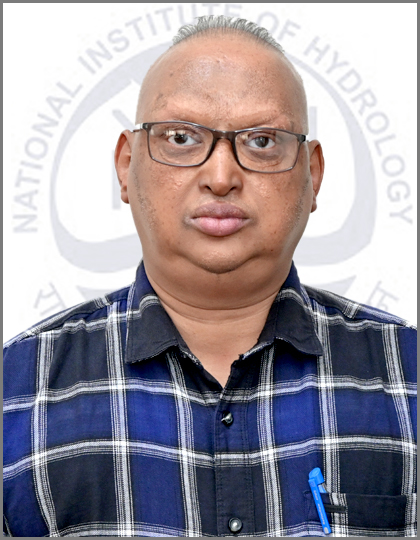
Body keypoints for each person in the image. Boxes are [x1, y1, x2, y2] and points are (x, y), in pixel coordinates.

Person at [3, 15, 416, 538]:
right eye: (180, 137)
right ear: (126, 165)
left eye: (262, 141)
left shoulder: (407, 376)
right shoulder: (16, 391)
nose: (221, 178)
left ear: (312, 175)